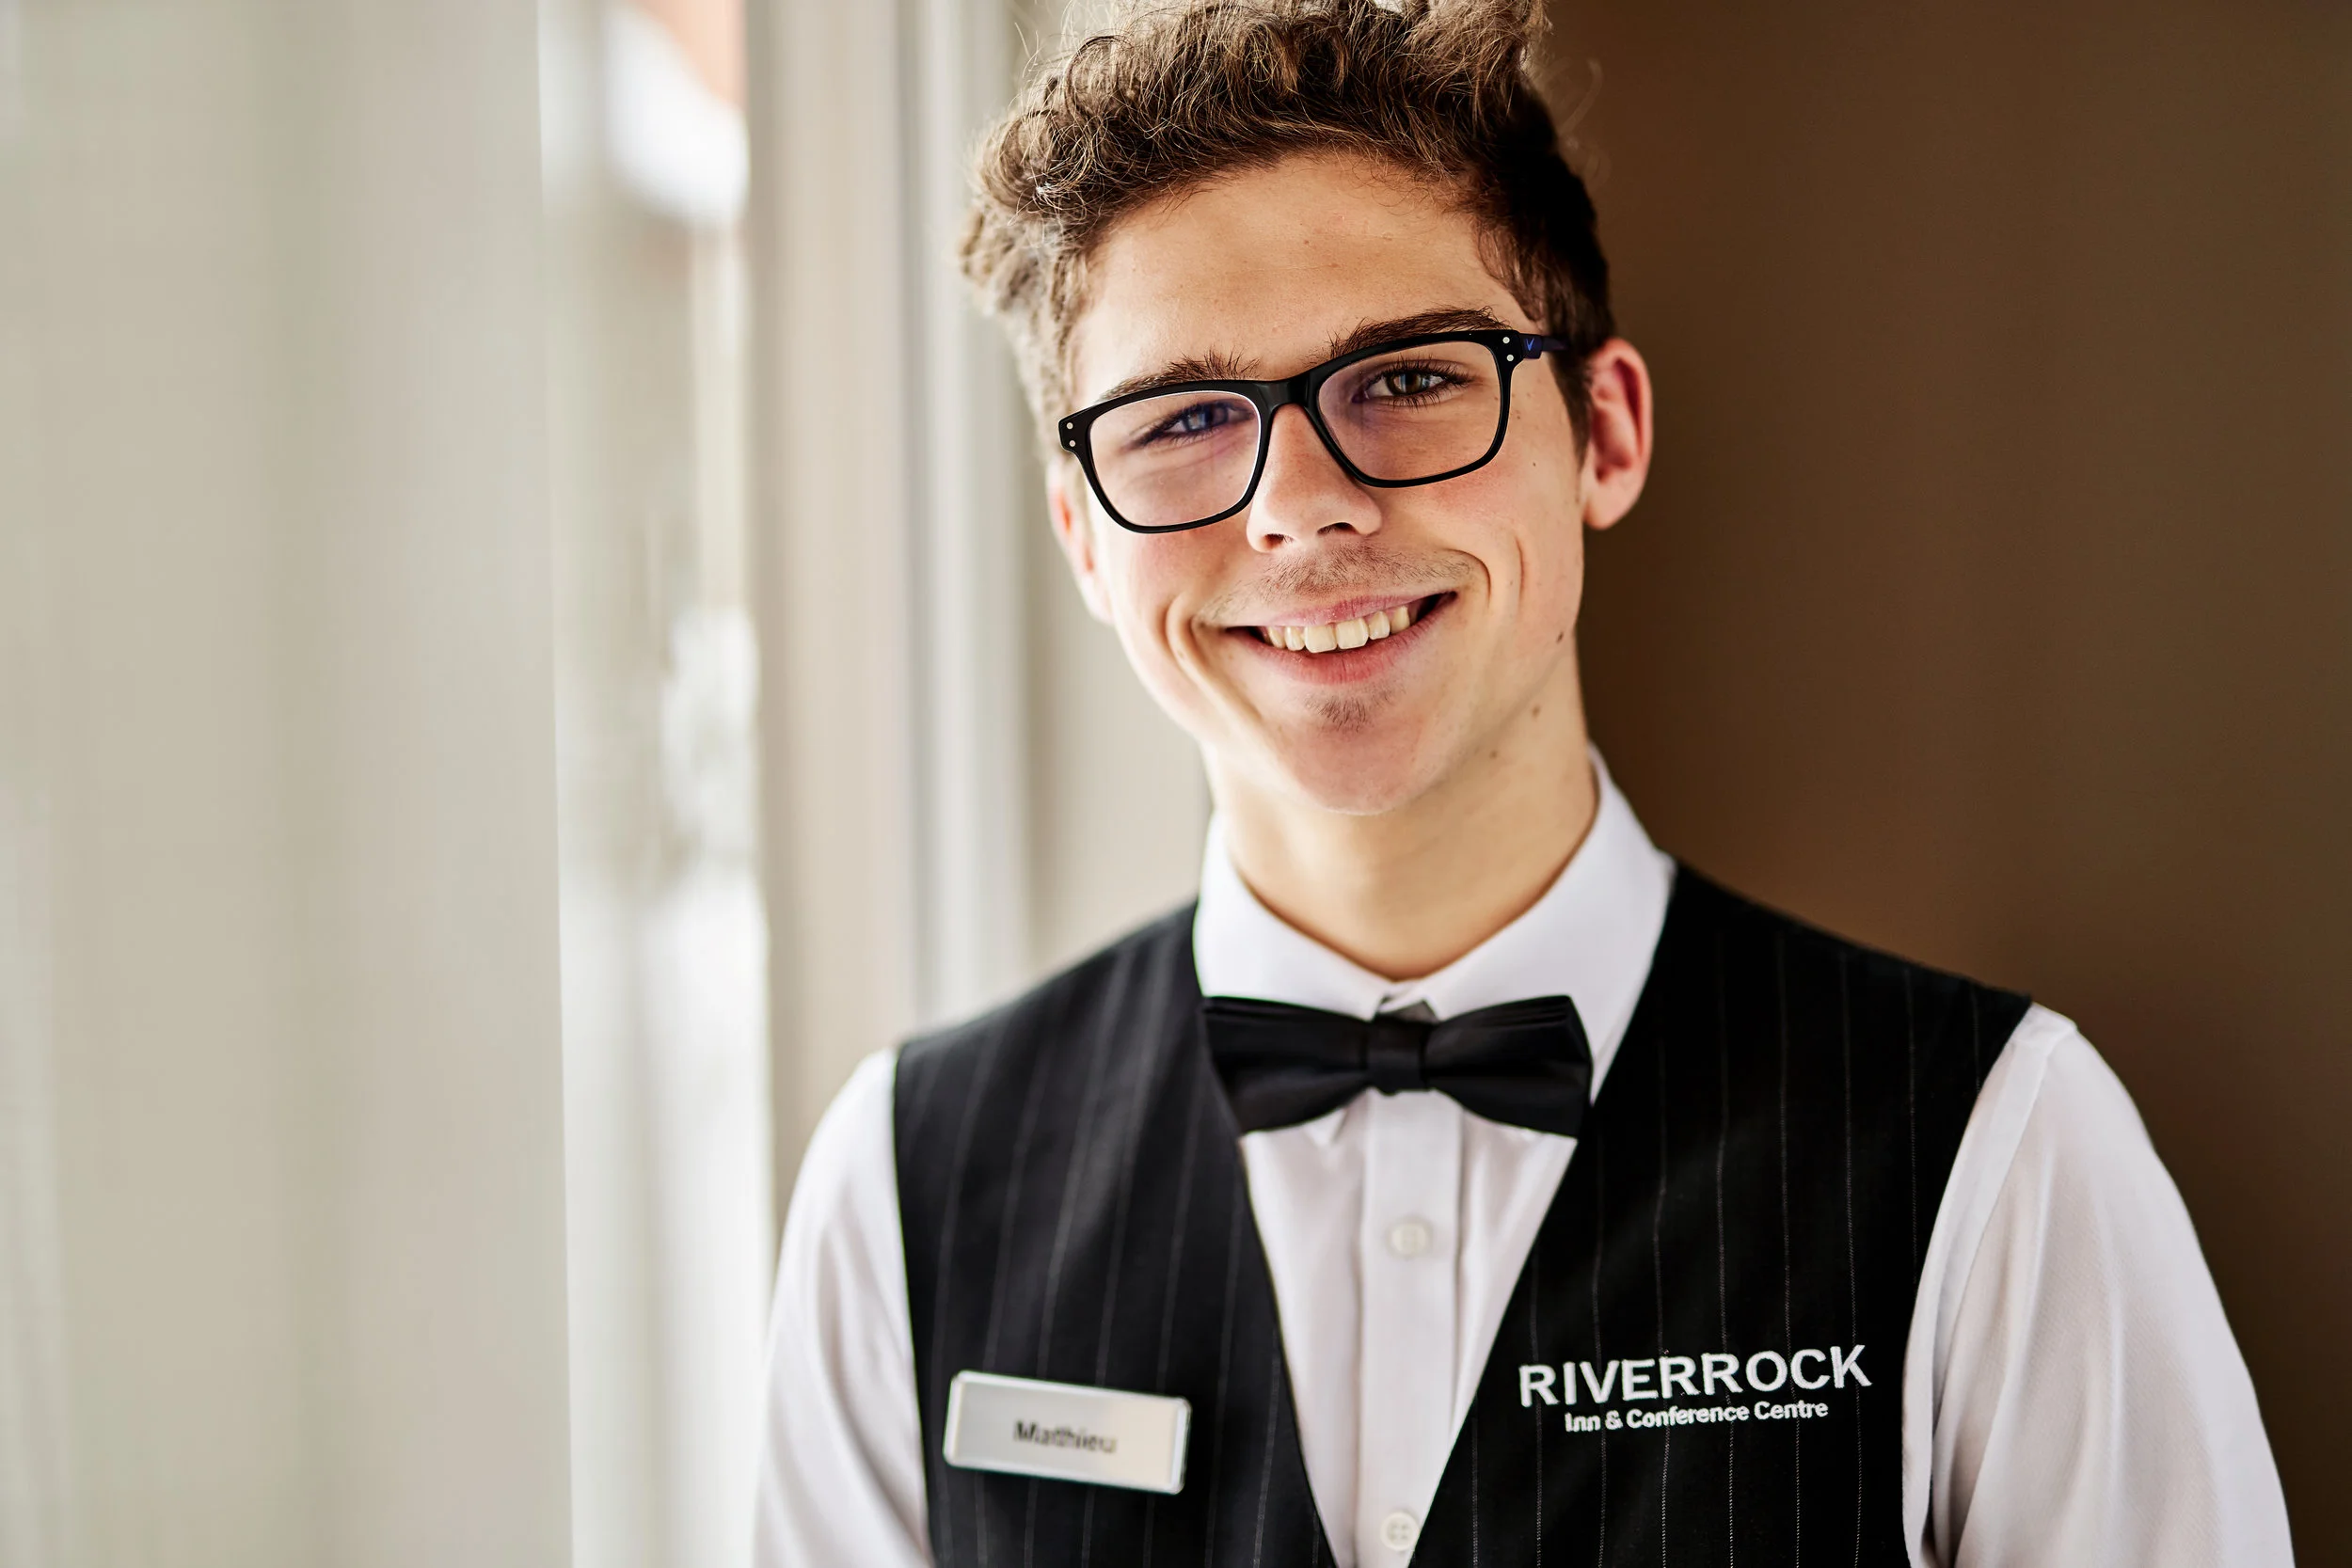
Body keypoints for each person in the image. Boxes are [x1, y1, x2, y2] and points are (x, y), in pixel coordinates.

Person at [755, 2, 2293, 1562]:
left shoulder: (1999, 1146)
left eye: (1408, 379)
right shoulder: (899, 1186)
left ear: (1604, 433)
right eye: (1185, 421)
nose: (1299, 509)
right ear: (1085, 537)